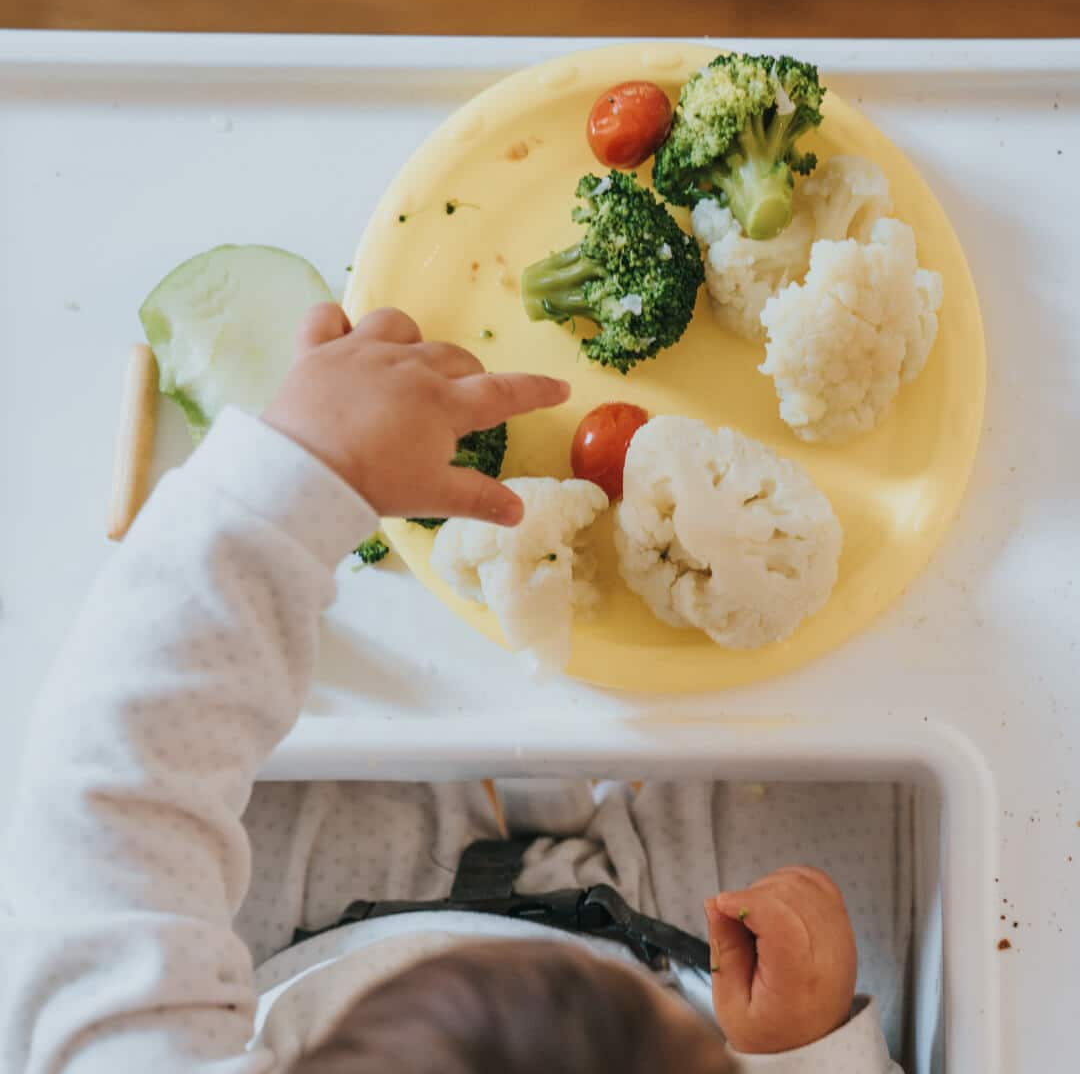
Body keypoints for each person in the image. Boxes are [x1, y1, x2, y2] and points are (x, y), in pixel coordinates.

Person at [1, 305, 904, 1073]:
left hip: (302, 928)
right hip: (689, 937)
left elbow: (111, 798)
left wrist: (295, 475)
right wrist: (804, 1045)